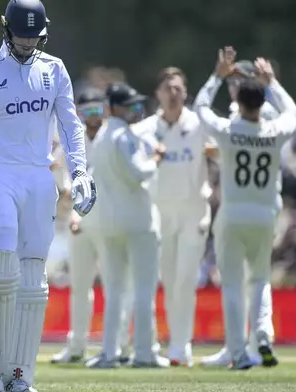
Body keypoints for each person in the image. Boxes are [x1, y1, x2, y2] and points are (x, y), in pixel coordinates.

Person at [0, 0, 95, 390]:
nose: (28, 44)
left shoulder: (54, 69)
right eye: (21, 36)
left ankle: (20, 374)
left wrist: (79, 170)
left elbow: (70, 124)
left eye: (35, 36)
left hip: (38, 177)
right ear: (6, 29)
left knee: (33, 282)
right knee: (2, 271)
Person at [194, 47, 296, 370]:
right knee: (260, 279)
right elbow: (293, 113)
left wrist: (216, 76)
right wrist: (274, 83)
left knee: (233, 284)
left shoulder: (228, 131)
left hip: (233, 214)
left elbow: (199, 108)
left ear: (238, 103)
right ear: (263, 103)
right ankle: (264, 333)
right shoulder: (274, 131)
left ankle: (239, 353)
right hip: (266, 216)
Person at [132, 67, 215, 367]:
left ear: (185, 92)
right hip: (160, 213)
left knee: (185, 279)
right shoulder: (144, 131)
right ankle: (172, 341)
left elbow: (225, 148)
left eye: (179, 88)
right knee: (168, 279)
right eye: (168, 88)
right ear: (158, 94)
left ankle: (182, 344)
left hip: (194, 212)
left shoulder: (199, 124)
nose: (173, 93)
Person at [50, 89, 133, 365]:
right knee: (80, 285)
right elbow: (59, 173)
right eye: (87, 112)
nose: (93, 118)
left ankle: (119, 345)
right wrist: (66, 192)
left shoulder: (115, 136)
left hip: (110, 223)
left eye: (98, 111)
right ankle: (76, 345)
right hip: (79, 225)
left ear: (105, 111)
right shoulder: (72, 138)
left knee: (114, 284)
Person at [89, 82, 167, 368]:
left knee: (115, 290)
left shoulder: (101, 137)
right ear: (114, 107)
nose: (135, 109)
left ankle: (109, 352)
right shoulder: (124, 135)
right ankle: (144, 353)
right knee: (144, 289)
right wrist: (156, 158)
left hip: (110, 223)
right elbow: (138, 172)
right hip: (138, 222)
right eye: (129, 105)